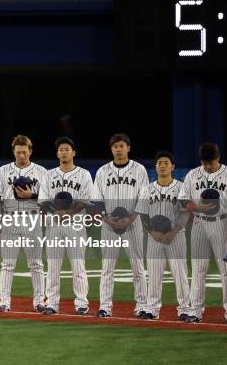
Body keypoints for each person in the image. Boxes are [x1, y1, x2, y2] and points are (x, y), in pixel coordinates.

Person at [0, 135, 47, 313]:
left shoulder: (42, 172)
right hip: (9, 219)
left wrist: (32, 196)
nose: (21, 155)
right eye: (18, 152)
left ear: (30, 151)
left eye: (24, 151)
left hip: (32, 220)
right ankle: (4, 301)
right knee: (7, 264)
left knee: (36, 263)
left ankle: (39, 301)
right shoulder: (3, 171)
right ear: (14, 152)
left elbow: (48, 199)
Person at [94, 133, 148, 318]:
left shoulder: (139, 170)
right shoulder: (102, 171)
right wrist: (106, 218)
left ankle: (142, 306)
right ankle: (104, 307)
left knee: (137, 267)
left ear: (128, 148)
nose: (118, 149)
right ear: (111, 149)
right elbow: (97, 199)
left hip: (133, 225)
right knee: (107, 267)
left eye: (122, 146)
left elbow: (144, 197)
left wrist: (132, 218)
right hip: (108, 226)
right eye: (115, 146)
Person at [38, 136, 93, 315]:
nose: (63, 152)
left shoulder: (84, 174)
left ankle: (82, 303)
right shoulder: (49, 174)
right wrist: (56, 213)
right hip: (53, 226)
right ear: (57, 153)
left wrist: (68, 213)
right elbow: (43, 200)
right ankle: (52, 303)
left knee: (78, 265)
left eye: (67, 149)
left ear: (73, 153)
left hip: (76, 226)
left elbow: (85, 200)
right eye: (60, 150)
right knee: (53, 266)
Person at [178, 143, 227, 324]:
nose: (207, 166)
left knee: (226, 271)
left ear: (218, 158)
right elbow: (183, 201)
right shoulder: (193, 174)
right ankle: (195, 311)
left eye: (211, 162)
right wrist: (196, 207)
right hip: (199, 224)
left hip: (223, 224)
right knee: (199, 269)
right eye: (204, 162)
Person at [135, 150, 190, 321]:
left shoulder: (182, 188)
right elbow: (143, 214)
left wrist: (173, 232)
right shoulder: (147, 189)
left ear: (172, 167)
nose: (163, 165)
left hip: (176, 237)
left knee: (180, 274)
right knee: (154, 274)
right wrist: (152, 232)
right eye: (160, 163)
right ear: (156, 167)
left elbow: (185, 213)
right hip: (154, 239)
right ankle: (152, 309)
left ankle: (185, 309)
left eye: (166, 162)